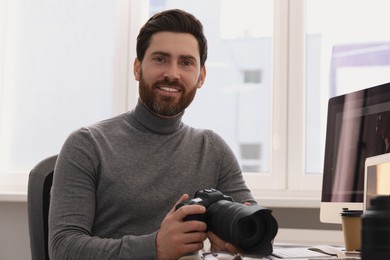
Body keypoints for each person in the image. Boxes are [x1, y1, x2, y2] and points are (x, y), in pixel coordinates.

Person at [49, 9, 256, 260]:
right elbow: (63, 248)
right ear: (137, 68)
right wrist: (154, 247)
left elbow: (250, 218)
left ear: (201, 76)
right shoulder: (87, 145)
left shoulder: (212, 149)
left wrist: (239, 241)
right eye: (160, 59)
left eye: (186, 62)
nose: (172, 73)